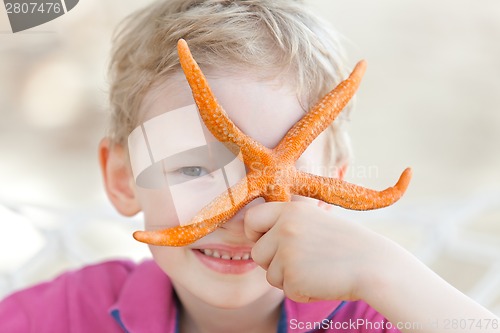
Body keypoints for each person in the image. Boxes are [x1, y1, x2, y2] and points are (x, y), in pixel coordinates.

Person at [1, 0, 498, 332]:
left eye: (292, 171)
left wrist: (385, 272)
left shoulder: (379, 313)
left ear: (331, 190)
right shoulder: (66, 314)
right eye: (194, 169)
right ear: (122, 179)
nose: (243, 213)